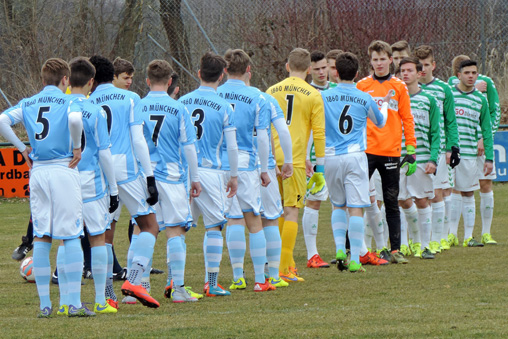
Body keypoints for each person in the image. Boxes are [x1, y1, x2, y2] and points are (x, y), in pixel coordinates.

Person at [0, 58, 92, 317]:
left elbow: (1, 121)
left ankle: (45, 305)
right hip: (64, 168)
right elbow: (75, 119)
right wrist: (76, 146)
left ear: (43, 81)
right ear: (65, 80)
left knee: (41, 236)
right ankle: (72, 303)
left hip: (38, 171)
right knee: (71, 235)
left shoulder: (29, 102)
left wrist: (22, 149)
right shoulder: (69, 100)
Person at [88, 55, 160, 308]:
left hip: (99, 170)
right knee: (150, 225)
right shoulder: (131, 99)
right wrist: (150, 177)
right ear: (112, 75)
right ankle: (134, 281)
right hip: (126, 170)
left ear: (92, 77)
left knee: (104, 235)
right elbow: (138, 139)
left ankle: (108, 294)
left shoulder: (88, 100)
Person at [137, 59, 202, 302]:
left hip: (144, 177)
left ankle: (138, 288)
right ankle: (178, 288)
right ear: (170, 81)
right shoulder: (178, 108)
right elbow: (189, 147)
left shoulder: (137, 106)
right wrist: (195, 179)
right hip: (172, 176)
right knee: (176, 230)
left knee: (142, 228)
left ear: (147, 81)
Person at [322, 52, 389, 273]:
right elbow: (380, 122)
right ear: (357, 74)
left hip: (331, 156)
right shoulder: (363, 97)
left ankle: (340, 249)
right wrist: (386, 105)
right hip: (355, 156)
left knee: (338, 205)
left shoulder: (324, 96)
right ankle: (355, 260)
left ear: (336, 72)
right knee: (356, 208)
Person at [179, 52, 238, 297]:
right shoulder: (225, 106)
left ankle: (175, 283)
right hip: (210, 172)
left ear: (199, 73)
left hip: (184, 173)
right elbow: (232, 146)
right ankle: (211, 283)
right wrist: (233, 176)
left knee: (178, 229)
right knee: (213, 226)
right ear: (222, 75)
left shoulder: (182, 101)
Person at [217, 49, 275, 292]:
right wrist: (263, 168)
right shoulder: (258, 97)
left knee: (232, 219)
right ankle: (261, 280)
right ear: (249, 70)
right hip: (246, 163)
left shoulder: (214, 93)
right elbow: (263, 137)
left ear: (225, 71)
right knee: (254, 221)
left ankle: (238, 276)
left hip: (219, 163)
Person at [266, 48, 326, 281]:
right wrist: (319, 168)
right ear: (310, 70)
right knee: (291, 211)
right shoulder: (313, 94)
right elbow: (319, 134)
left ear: (286, 66)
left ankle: (286, 264)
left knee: (277, 210)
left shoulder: (271, 91)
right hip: (295, 161)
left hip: (273, 160)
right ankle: (281, 269)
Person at [66, 57, 119, 314]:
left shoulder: (57, 108)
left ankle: (68, 301)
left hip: (64, 178)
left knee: (67, 239)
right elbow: (105, 153)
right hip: (91, 181)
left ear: (66, 79)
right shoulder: (95, 110)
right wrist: (114, 189)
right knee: (98, 238)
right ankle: (101, 300)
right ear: (91, 82)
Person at [356, 40, 416, 264]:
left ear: (391, 60)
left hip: (391, 151)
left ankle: (395, 250)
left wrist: (411, 148)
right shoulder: (361, 86)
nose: (379, 63)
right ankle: (354, 249)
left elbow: (407, 118)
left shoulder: (399, 86)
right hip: (366, 151)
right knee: (359, 200)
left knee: (391, 201)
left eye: (383, 59)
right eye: (375, 59)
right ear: (370, 61)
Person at [448, 55, 500, 246]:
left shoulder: (487, 83)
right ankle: (452, 233)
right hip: (460, 146)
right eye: (465, 72)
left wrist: (483, 139)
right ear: (457, 73)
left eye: (473, 72)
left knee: (485, 184)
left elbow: (494, 112)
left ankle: (486, 232)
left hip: (478, 143)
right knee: (456, 187)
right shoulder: (450, 87)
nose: (470, 76)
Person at [413, 45, 460, 255]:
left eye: (426, 65)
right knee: (418, 197)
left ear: (433, 65)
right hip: (415, 150)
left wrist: (452, 148)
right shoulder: (407, 89)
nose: (422, 69)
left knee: (437, 193)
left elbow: (450, 121)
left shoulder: (443, 89)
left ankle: (438, 239)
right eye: (419, 65)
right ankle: (418, 240)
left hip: (438, 150)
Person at [397, 57, 441, 259]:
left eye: (409, 70)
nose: (405, 74)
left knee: (422, 200)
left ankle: (425, 246)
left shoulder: (429, 99)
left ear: (419, 73)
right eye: (402, 71)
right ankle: (405, 244)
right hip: (397, 156)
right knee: (401, 200)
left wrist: (433, 159)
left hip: (421, 157)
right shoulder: (394, 98)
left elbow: (435, 132)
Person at [301, 50, 335, 269]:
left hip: (339, 156)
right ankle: (312, 253)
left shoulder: (338, 90)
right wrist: (304, 157)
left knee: (347, 203)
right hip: (315, 158)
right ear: (309, 70)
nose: (322, 72)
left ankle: (352, 249)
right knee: (313, 202)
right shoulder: (306, 92)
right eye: (317, 69)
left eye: (325, 67)